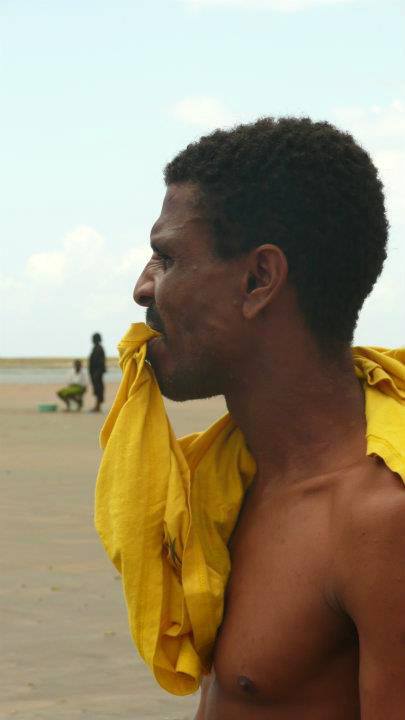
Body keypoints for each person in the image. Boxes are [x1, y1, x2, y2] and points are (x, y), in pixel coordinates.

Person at [98, 118, 405, 719]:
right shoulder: (224, 485)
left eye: (166, 256)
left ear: (259, 279)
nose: (142, 289)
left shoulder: (378, 522)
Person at [88, 332, 106, 412]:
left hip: (97, 373)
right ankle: (97, 406)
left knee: (98, 389)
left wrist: (97, 373)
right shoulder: (96, 348)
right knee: (97, 389)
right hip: (95, 373)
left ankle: (98, 406)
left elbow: (100, 363)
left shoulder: (99, 348)